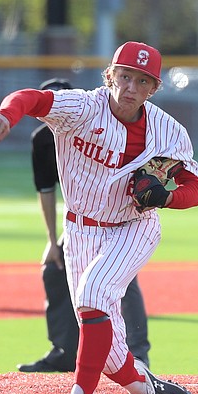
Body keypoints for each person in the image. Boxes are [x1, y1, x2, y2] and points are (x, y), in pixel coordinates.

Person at [0, 41, 198, 394]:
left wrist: (168, 197)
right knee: (108, 345)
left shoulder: (168, 130)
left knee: (94, 296)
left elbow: (195, 188)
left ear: (153, 88)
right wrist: (6, 115)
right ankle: (146, 389)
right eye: (124, 76)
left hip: (132, 227)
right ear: (109, 76)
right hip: (80, 229)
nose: (131, 87)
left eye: (142, 81)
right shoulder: (82, 108)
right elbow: (30, 98)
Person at [19, 77, 152, 373]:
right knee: (54, 270)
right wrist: (52, 241)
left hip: (116, 217)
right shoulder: (42, 139)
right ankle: (65, 350)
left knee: (122, 280)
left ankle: (137, 354)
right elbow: (46, 191)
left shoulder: (104, 128)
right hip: (78, 221)